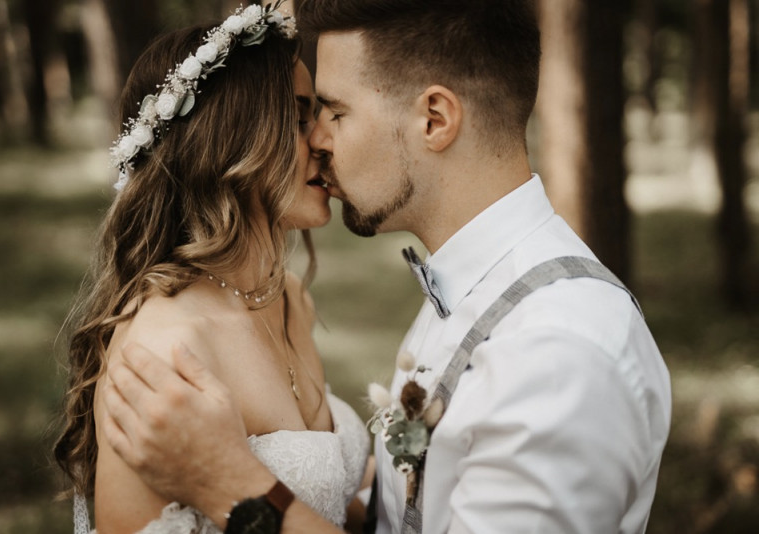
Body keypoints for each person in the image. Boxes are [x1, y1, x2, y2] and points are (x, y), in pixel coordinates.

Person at [101, 0, 673, 533]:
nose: (318, 140)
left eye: (333, 111)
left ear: (434, 118)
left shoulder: (557, 352)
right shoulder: (464, 292)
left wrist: (231, 484)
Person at [53, 4, 371, 533]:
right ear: (227, 144)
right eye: (296, 118)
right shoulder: (166, 352)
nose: (320, 140)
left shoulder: (287, 297)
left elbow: (326, 501)